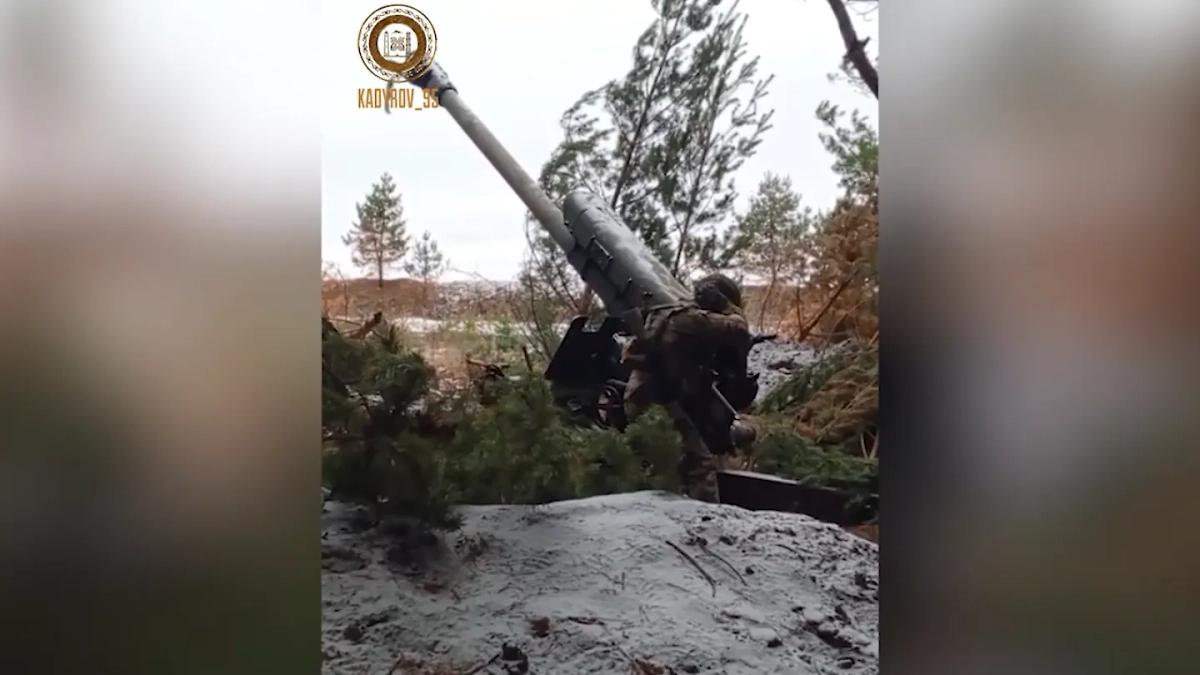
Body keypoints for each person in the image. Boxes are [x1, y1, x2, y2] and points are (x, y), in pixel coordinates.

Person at [621, 273, 756, 502]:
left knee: (687, 453)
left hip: (653, 400)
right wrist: (727, 307)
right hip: (656, 405)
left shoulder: (675, 313)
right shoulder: (689, 319)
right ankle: (704, 516)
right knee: (700, 466)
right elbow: (739, 330)